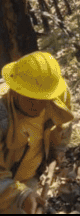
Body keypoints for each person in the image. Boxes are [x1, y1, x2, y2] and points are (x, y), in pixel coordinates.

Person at [0, 51, 74, 214]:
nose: (39, 106)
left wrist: (58, 150)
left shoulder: (57, 95)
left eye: (44, 99)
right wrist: (20, 195)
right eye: (32, 98)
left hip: (29, 181)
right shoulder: (2, 113)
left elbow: (64, 126)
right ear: (16, 89)